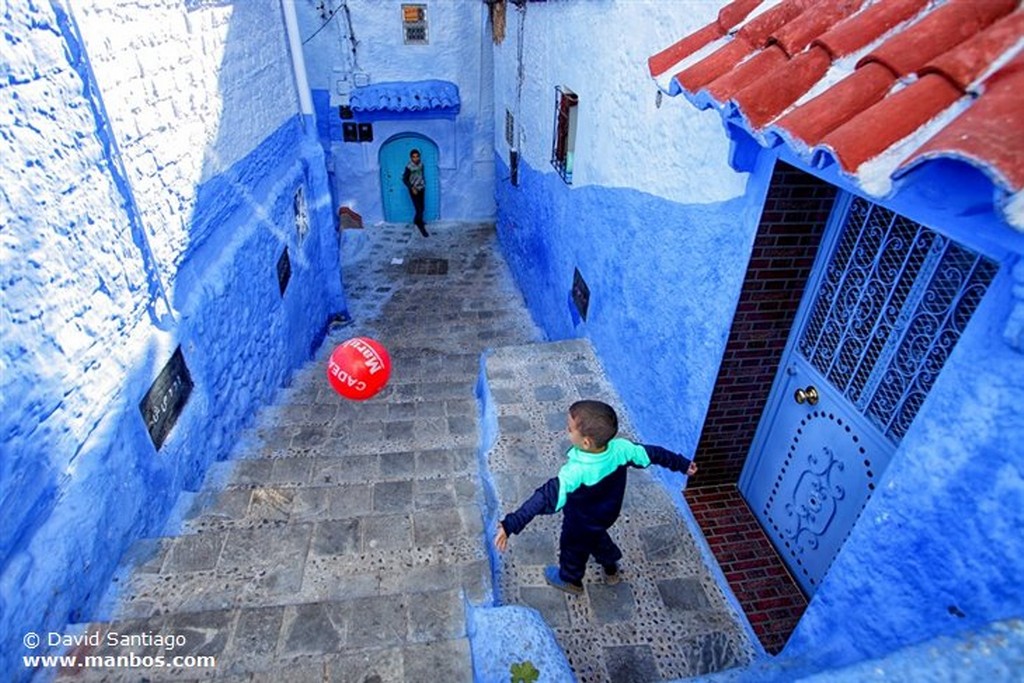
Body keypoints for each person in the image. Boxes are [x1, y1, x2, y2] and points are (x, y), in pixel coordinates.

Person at [494, 399, 698, 595]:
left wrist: (510, 524)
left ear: (585, 442)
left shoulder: (576, 471)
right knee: (596, 536)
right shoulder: (622, 449)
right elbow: (653, 453)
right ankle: (611, 567)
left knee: (573, 548)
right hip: (607, 513)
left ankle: (570, 580)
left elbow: (543, 498)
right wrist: (681, 464)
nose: (567, 430)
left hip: (580, 521)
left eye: (570, 428)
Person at [402, 148, 428, 237]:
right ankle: (420, 225)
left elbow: (421, 174)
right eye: (414, 157)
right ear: (411, 158)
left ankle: (417, 221)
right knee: (418, 208)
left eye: (417, 156)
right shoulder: (408, 167)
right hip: (414, 190)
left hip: (421, 188)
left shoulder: (421, 164)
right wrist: (412, 188)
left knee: (422, 207)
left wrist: (423, 183)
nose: (416, 158)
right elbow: (404, 179)